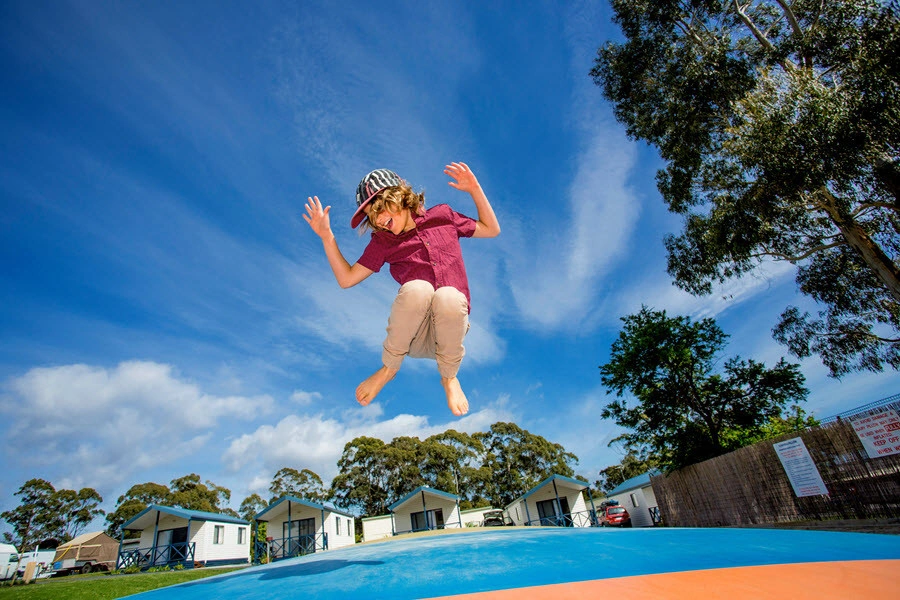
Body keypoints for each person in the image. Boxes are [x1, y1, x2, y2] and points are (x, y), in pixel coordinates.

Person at [303, 162, 500, 416]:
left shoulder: (443, 216)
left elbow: (491, 229)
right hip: (413, 337)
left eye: (381, 207)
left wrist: (474, 189)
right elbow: (347, 279)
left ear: (400, 197)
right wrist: (327, 237)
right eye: (373, 216)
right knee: (419, 288)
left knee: (448, 296)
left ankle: (449, 377)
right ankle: (389, 369)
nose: (380, 218)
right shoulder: (383, 242)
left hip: (449, 333)